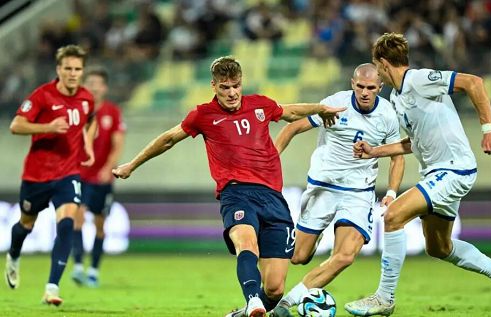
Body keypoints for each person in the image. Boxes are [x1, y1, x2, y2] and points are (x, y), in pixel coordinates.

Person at [112, 56, 346, 317]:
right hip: (236, 193)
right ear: (214, 86)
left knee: (276, 288)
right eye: (225, 87)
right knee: (246, 243)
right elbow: (168, 139)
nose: (232, 93)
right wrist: (131, 164)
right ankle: (253, 300)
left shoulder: (260, 105)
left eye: (236, 86)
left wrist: (321, 108)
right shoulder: (203, 115)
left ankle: (245, 311)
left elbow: (290, 111)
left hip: (273, 198)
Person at [345, 32, 491, 316]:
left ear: (382, 64)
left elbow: (473, 82)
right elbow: (414, 142)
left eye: (376, 67)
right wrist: (374, 151)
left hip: (454, 169)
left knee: (393, 216)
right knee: (439, 248)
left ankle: (384, 298)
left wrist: (488, 130)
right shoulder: (398, 97)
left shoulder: (418, 79)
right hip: (436, 173)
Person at [268, 64, 405, 317]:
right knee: (298, 256)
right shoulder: (334, 104)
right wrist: (269, 165)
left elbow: (398, 156)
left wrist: (391, 193)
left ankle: (287, 303)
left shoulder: (388, 115)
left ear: (380, 87)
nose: (365, 92)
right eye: (360, 86)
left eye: (371, 88)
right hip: (323, 187)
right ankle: (314, 237)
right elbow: (292, 127)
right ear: (353, 83)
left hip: (358, 192)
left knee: (344, 256)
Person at [5, 44, 96, 306]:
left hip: (68, 174)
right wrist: (48, 126)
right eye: (67, 68)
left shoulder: (86, 98)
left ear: (82, 71)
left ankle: (52, 288)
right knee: (26, 224)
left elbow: (88, 121)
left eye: (77, 69)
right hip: (36, 175)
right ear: (58, 69)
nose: (72, 73)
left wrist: (87, 145)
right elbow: (16, 125)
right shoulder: (42, 96)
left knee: (67, 223)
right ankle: (13, 254)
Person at [71, 67, 126, 288]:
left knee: (100, 224)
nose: (94, 87)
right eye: (90, 82)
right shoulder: (77, 111)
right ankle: (76, 266)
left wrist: (109, 168)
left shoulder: (112, 112)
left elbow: (118, 143)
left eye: (98, 83)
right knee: (77, 217)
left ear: (105, 87)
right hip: (79, 174)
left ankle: (93, 270)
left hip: (102, 178)